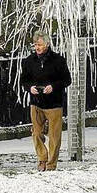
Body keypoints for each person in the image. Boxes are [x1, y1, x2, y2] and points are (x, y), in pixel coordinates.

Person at [21, 31, 71, 171]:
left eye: (40, 45)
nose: (37, 47)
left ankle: (51, 164)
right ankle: (42, 158)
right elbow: (24, 80)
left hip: (54, 103)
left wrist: (53, 87)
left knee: (55, 136)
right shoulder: (29, 61)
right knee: (36, 133)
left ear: (47, 44)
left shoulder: (58, 60)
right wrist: (30, 88)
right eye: (35, 44)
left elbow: (67, 80)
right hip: (36, 102)